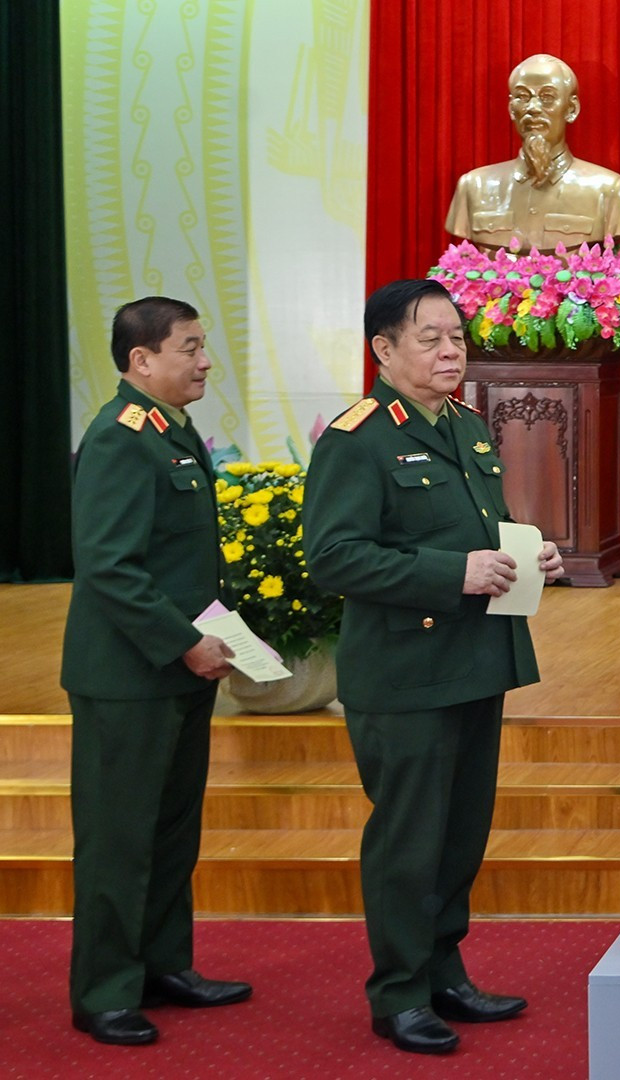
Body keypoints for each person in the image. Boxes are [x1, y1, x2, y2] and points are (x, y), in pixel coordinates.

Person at [305, 279, 564, 1055]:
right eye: (431, 339)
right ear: (384, 350)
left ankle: (445, 971)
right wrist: (453, 572)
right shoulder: (357, 439)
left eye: (457, 337)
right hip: (405, 672)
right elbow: (335, 556)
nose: (451, 351)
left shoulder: (466, 425)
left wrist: (528, 550)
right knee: (409, 839)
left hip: (474, 661)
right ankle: (398, 993)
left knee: (459, 833)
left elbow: (484, 526)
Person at [62, 296, 251, 1046]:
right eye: (190, 347)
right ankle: (104, 990)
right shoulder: (120, 437)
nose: (205, 361)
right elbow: (108, 567)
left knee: (172, 831)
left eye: (204, 346)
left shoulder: (169, 432)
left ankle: (163, 965)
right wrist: (182, 641)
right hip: (129, 676)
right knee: (118, 838)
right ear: (141, 361)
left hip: (180, 666)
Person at [444, 53, 620, 252]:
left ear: (571, 109)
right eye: (523, 97)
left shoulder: (610, 190)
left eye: (547, 97)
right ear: (512, 108)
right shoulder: (473, 186)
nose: (533, 108)